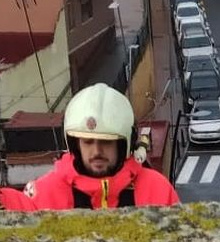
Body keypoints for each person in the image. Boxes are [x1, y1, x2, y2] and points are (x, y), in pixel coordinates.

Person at [30, 83, 180, 209]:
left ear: (123, 146)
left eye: (106, 142)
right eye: (87, 142)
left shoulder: (156, 190)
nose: (96, 151)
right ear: (75, 145)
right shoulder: (44, 194)